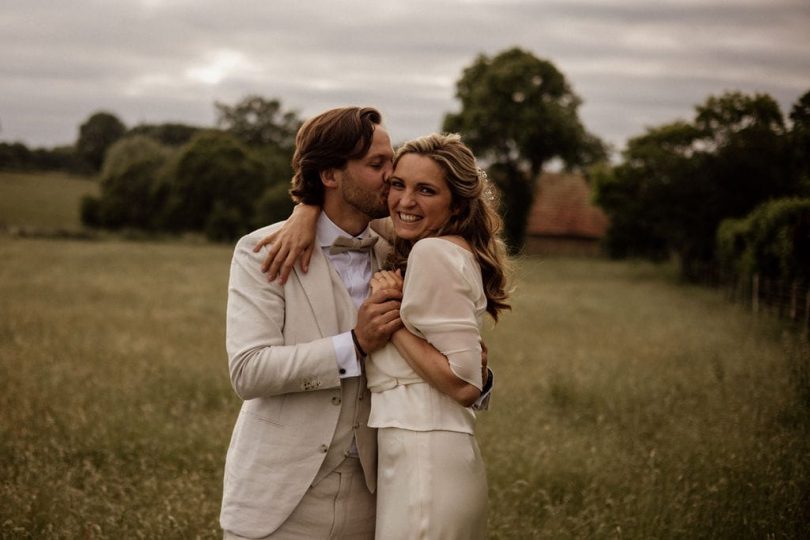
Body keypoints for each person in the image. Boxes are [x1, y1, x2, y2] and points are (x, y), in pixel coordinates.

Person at [258, 133, 510, 539]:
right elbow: (351, 213)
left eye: (425, 190)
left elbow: (466, 386)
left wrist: (388, 321)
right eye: (398, 184)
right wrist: (305, 208)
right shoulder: (422, 243)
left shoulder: (431, 252)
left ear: (457, 203)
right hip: (408, 456)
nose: (405, 202)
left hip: (424, 459)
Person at [221, 106, 403, 539]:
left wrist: (307, 208)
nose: (392, 176)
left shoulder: (402, 248)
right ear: (330, 175)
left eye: (391, 161)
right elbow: (249, 371)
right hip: (279, 501)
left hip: (374, 503)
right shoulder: (261, 251)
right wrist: (355, 345)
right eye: (377, 164)